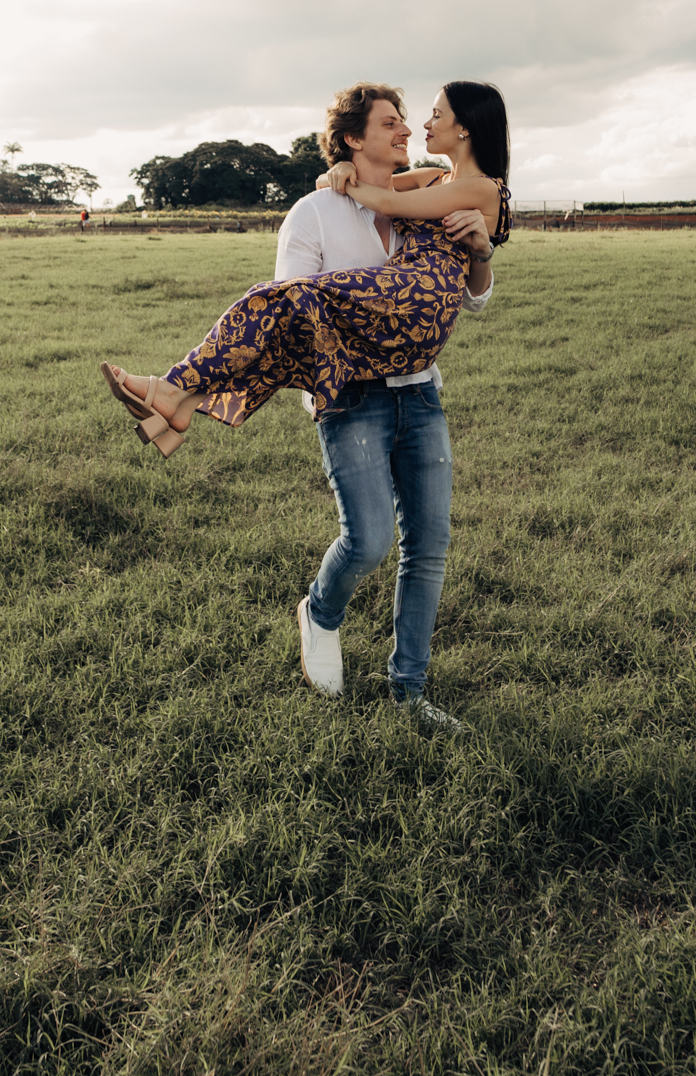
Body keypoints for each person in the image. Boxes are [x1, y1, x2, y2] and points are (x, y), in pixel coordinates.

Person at [101, 79, 510, 726]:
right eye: (391, 123)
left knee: (428, 548)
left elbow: (474, 298)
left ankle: (411, 693)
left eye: (414, 120)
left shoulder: (432, 191)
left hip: (421, 394)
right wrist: (341, 184)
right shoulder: (316, 211)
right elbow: (295, 316)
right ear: (353, 138)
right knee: (370, 539)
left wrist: (481, 253)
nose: (407, 129)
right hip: (351, 398)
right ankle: (319, 610)